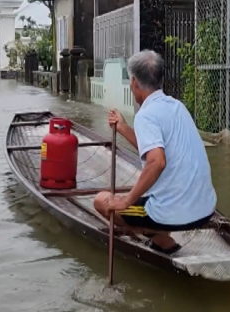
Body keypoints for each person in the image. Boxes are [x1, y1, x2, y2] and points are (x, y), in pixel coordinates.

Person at [93, 50, 217, 255]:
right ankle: (161, 238)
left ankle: (160, 237)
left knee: (101, 200)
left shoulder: (146, 115)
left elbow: (157, 162)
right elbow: (152, 150)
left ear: (133, 82)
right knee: (156, 188)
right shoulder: (178, 107)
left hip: (172, 215)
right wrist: (123, 128)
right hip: (205, 211)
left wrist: (125, 201)